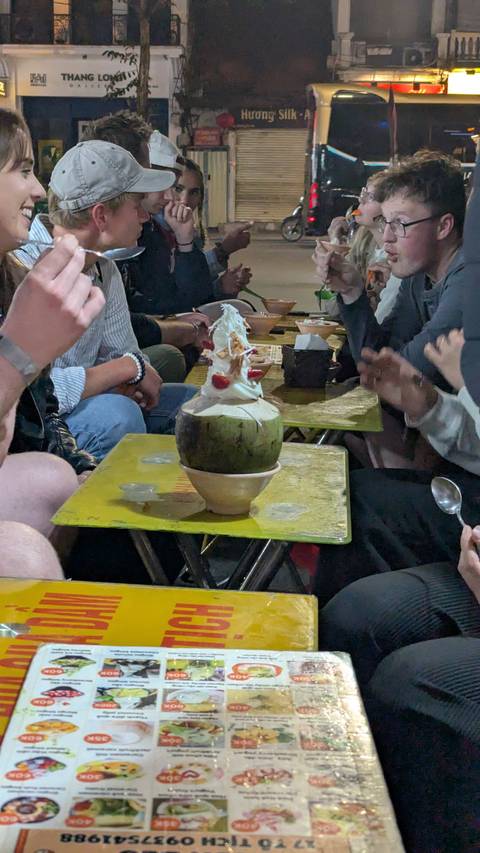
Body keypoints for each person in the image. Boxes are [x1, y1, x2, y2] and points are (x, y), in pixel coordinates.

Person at [17, 139, 197, 460]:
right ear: (101, 215)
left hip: (88, 404)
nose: (145, 216)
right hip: (40, 428)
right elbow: (32, 395)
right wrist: (122, 371)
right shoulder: (26, 268)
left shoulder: (105, 269)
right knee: (118, 417)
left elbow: (127, 358)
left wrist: (126, 372)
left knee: (194, 404)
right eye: (136, 205)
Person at [0, 110, 105, 576]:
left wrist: (82, 467)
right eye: (23, 170)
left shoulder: (13, 278)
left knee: (60, 476)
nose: (39, 191)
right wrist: (19, 354)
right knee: (25, 554)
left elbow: (43, 409)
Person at [313, 150, 466, 390]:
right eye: (385, 222)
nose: (386, 238)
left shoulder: (467, 282)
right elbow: (377, 358)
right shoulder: (418, 278)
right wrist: (352, 291)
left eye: (399, 224)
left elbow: (396, 378)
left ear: (443, 226)